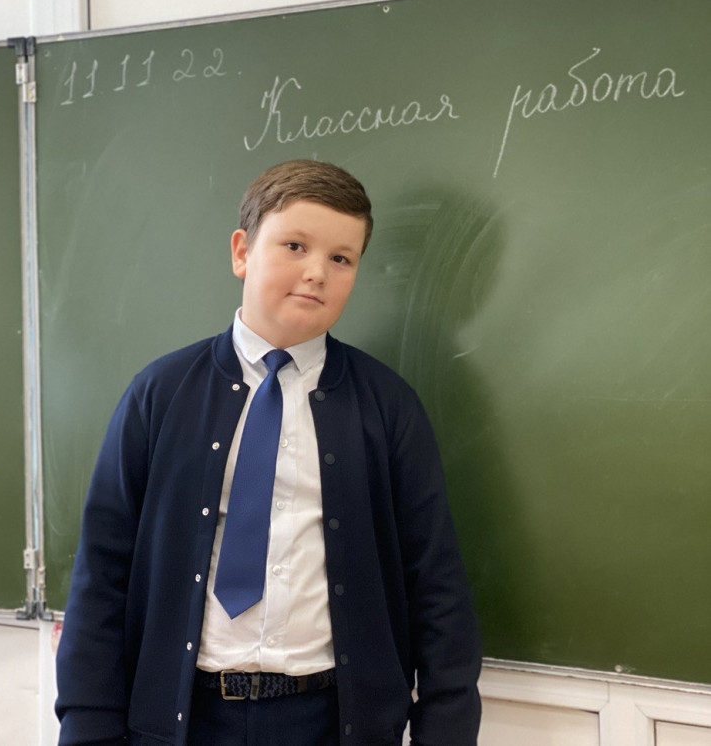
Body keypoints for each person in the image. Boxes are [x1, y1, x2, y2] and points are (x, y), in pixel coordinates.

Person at [55, 159, 481, 746]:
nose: (316, 272)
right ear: (242, 252)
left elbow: (436, 583)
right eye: (295, 246)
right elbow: (102, 575)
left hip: (332, 719)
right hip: (181, 719)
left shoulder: (388, 406)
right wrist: (88, 727)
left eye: (341, 258)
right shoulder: (160, 393)